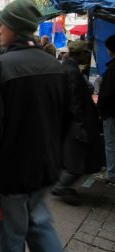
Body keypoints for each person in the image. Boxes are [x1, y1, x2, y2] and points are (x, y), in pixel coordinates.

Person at [0, 0, 67, 252]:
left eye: (3, 24)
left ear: (14, 28)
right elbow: (67, 118)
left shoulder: (0, 68)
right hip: (47, 168)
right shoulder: (56, 66)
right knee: (40, 225)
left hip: (12, 174)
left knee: (11, 233)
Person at [51, 41, 104, 205]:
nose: (88, 57)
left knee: (73, 157)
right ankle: (61, 186)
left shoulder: (67, 68)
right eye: (86, 54)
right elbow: (74, 101)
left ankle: (62, 185)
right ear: (80, 54)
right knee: (77, 159)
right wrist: (79, 124)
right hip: (75, 121)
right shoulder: (71, 71)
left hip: (71, 121)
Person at [97, 34, 115, 184]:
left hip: (111, 112)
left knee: (110, 143)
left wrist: (100, 108)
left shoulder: (112, 68)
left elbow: (107, 93)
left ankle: (111, 173)